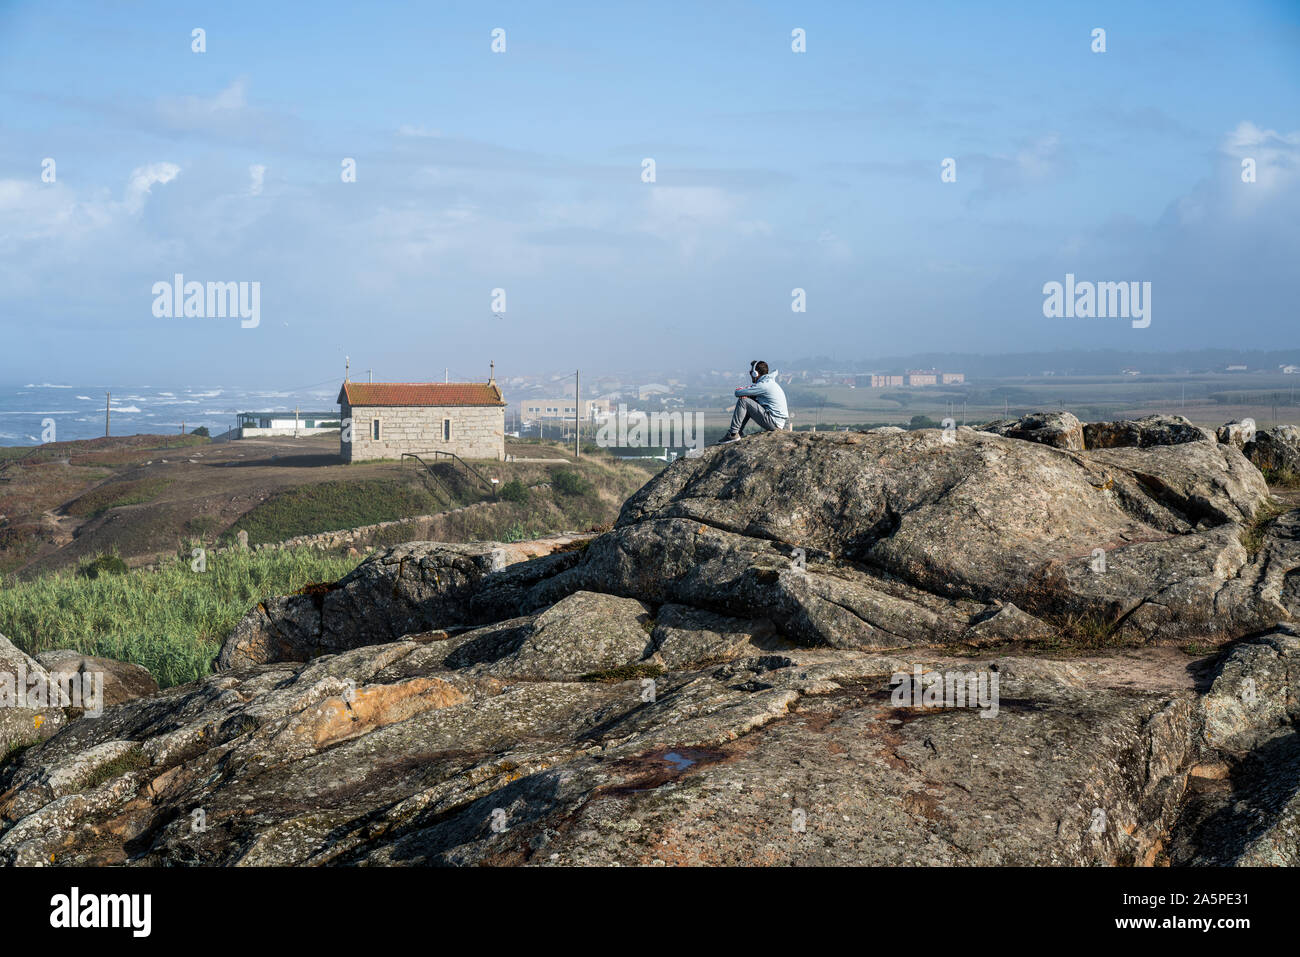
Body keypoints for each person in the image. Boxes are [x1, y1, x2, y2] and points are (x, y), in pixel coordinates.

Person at [720, 360, 788, 442]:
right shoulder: (769, 383)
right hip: (777, 422)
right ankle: (738, 432)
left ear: (755, 373)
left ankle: (733, 434)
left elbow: (737, 392)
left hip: (773, 422)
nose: (750, 375)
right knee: (749, 400)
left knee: (743, 401)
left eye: (750, 372)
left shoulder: (764, 385)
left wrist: (745, 392)